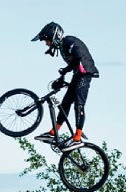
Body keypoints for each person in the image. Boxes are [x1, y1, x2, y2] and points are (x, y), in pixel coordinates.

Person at [31, 22, 99, 151]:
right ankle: (53, 132)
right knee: (65, 104)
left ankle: (77, 138)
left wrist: (65, 70)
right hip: (78, 75)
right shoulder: (63, 47)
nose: (47, 44)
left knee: (79, 105)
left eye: (47, 41)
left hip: (85, 75)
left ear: (54, 36)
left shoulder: (69, 40)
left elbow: (78, 57)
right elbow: (73, 65)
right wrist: (61, 79)